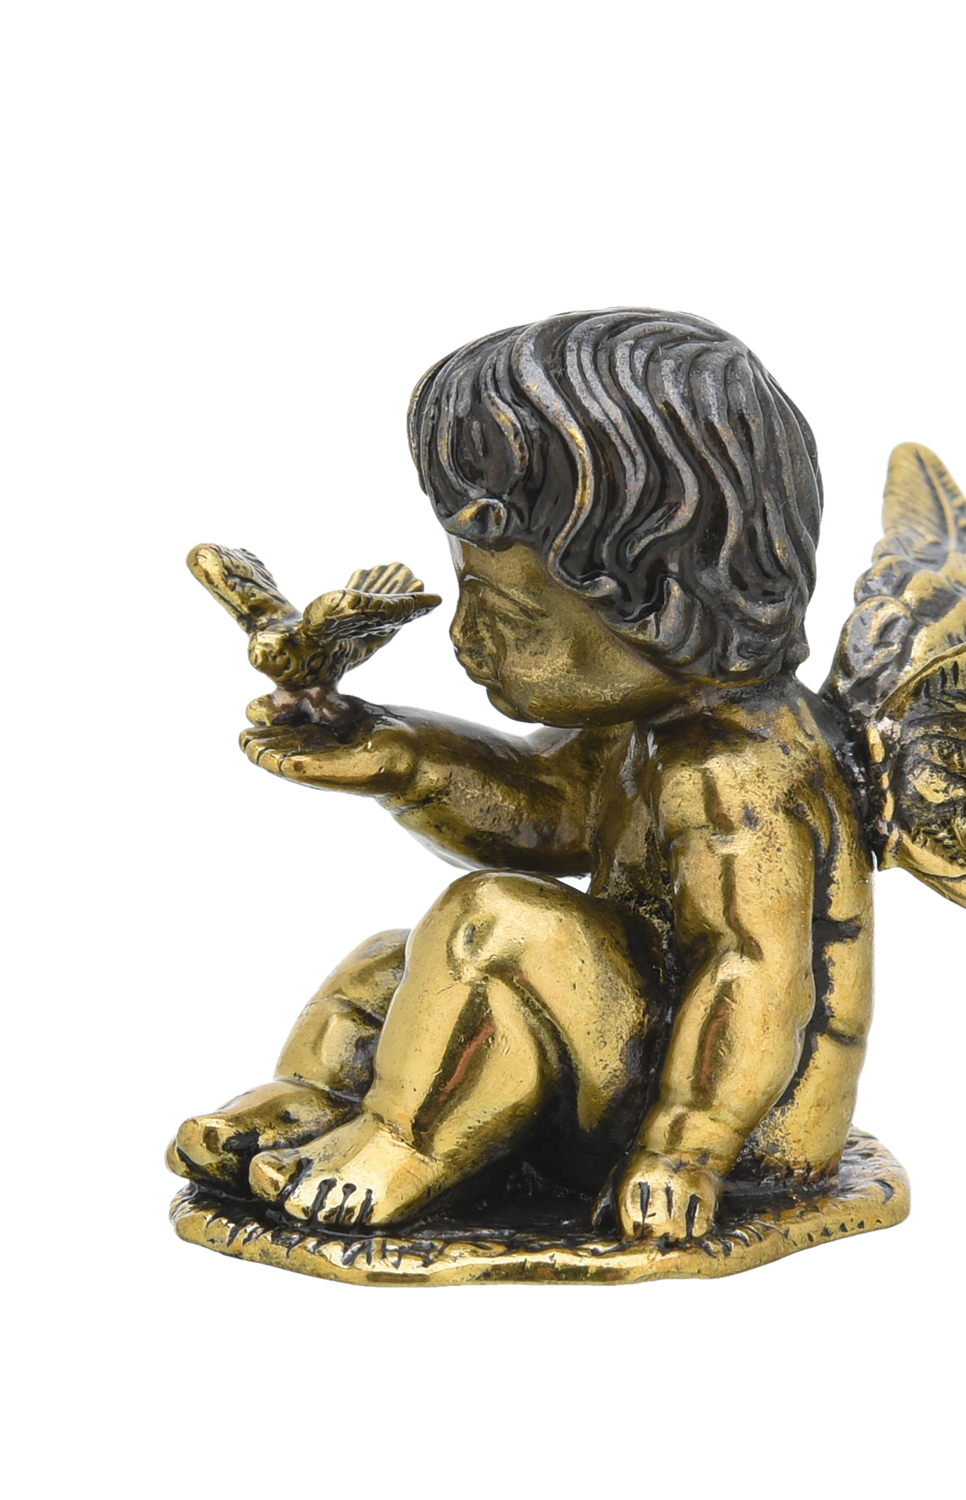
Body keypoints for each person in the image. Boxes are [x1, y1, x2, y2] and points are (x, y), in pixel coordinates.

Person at [168, 309, 873, 1244]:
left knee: (492, 925)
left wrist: (686, 1150)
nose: (467, 639)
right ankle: (318, 1099)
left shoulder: (740, 776)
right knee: (391, 963)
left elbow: (754, 973)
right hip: (632, 1049)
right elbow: (546, 811)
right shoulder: (646, 720)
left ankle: (405, 1141)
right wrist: (399, 755)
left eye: (512, 616)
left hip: (737, 1125)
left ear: (663, 607)